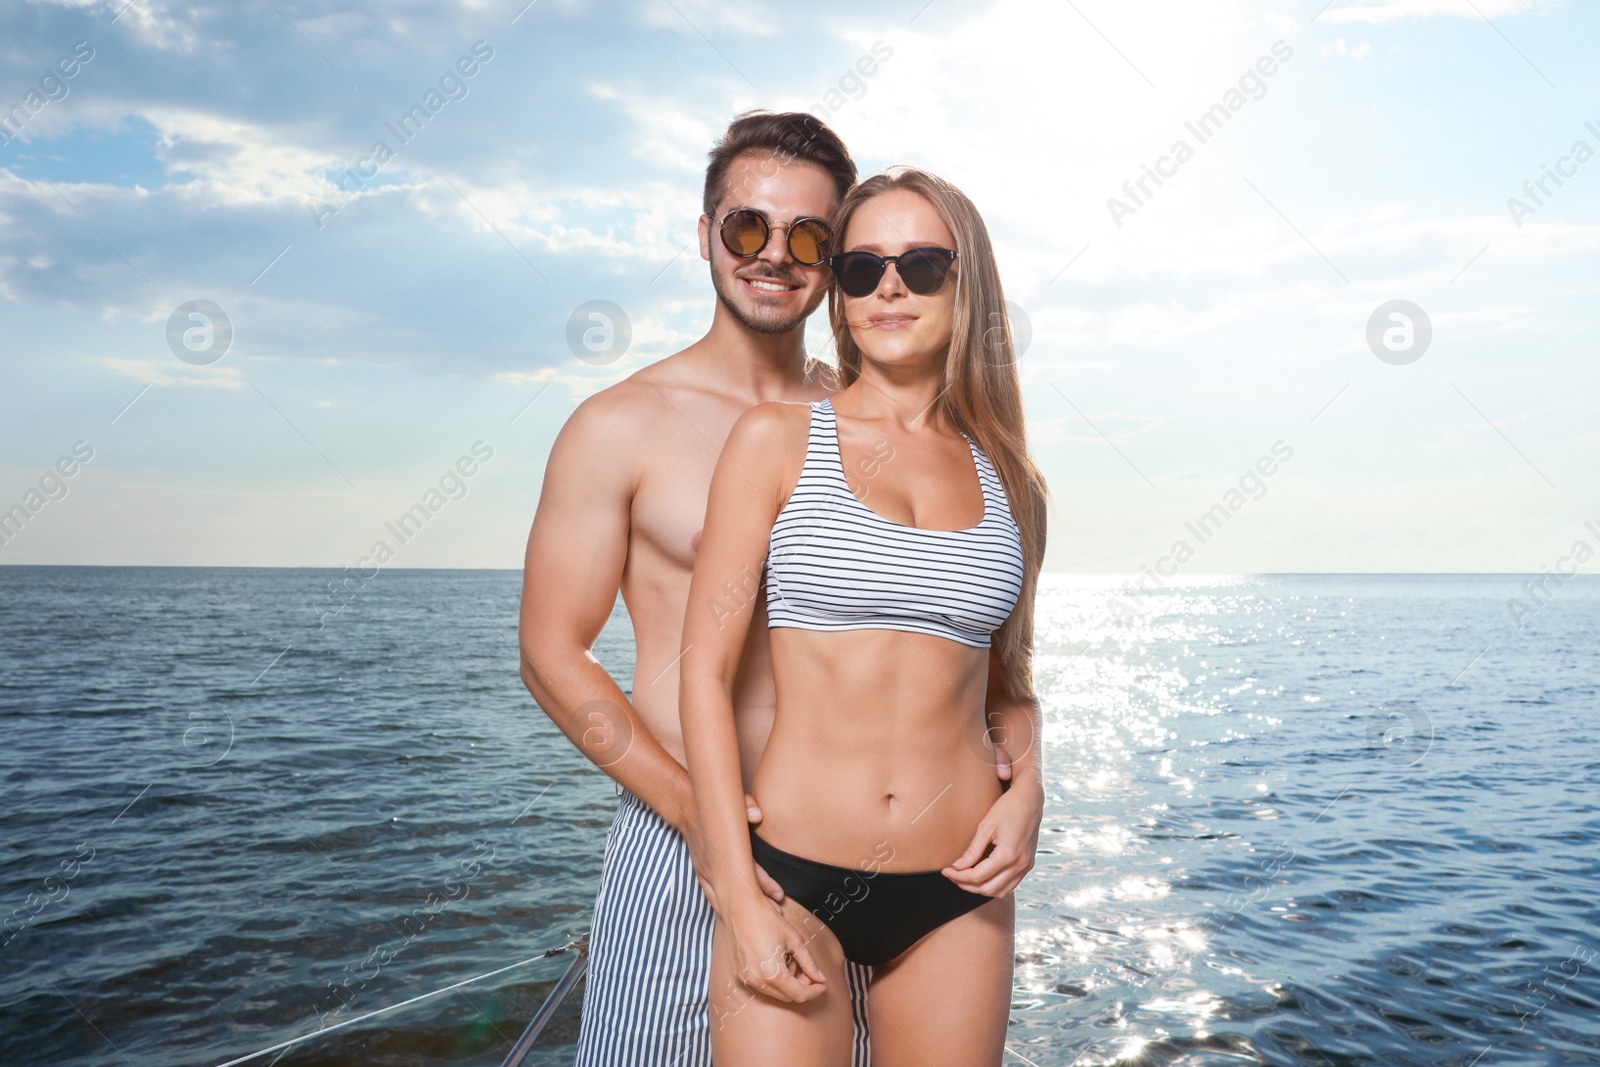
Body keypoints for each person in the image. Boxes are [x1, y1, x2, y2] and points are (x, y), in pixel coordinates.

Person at [518, 113, 1026, 1066]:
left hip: (877, 849)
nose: (774, 258)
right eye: (747, 227)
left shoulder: (863, 417)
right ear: (706, 232)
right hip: (684, 837)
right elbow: (551, 655)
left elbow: (977, 653)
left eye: (810, 239)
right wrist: (699, 821)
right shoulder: (621, 425)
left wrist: (1023, 777)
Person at [679, 166, 1049, 1065]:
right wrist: (734, 887)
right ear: (838, 296)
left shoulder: (1014, 484)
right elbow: (700, 673)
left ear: (967, 284)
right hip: (793, 880)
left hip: (958, 889)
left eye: (922, 266)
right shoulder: (776, 440)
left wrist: (1031, 787)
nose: (889, 288)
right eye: (859, 268)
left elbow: (1009, 686)